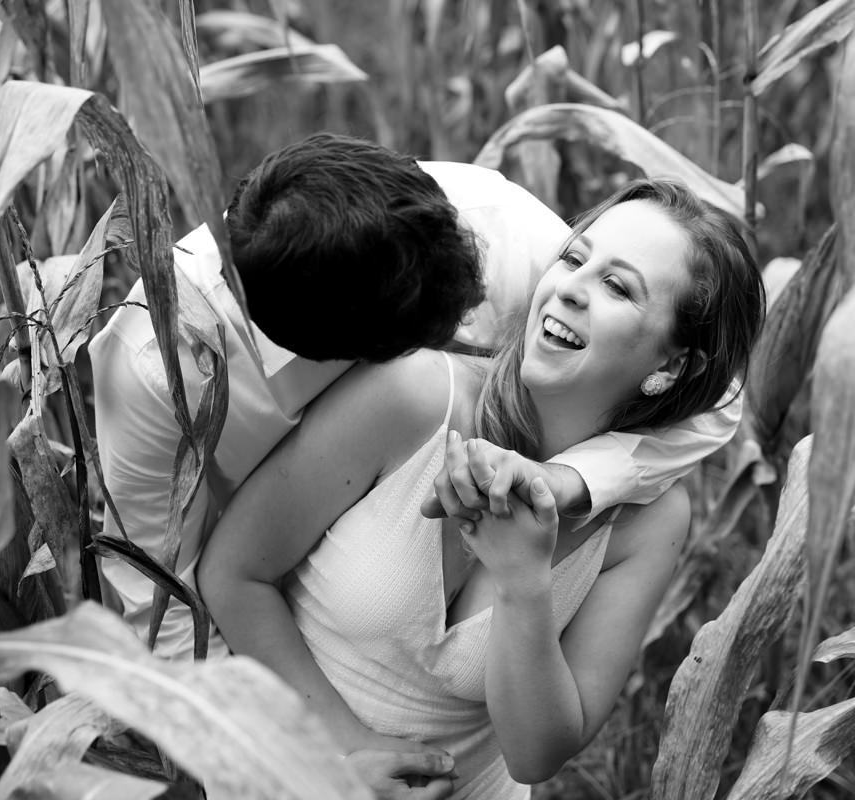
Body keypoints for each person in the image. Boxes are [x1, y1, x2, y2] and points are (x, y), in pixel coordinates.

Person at [196, 179, 766, 799]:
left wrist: (525, 581)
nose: (571, 288)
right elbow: (233, 573)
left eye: (618, 287)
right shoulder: (412, 395)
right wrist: (344, 756)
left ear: (671, 366)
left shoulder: (649, 520)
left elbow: (538, 754)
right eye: (574, 258)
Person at [89, 134, 742, 661]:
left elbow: (716, 395)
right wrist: (295, 749)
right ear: (350, 353)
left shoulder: (496, 232)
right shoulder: (155, 372)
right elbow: (162, 609)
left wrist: (571, 480)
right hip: (262, 611)